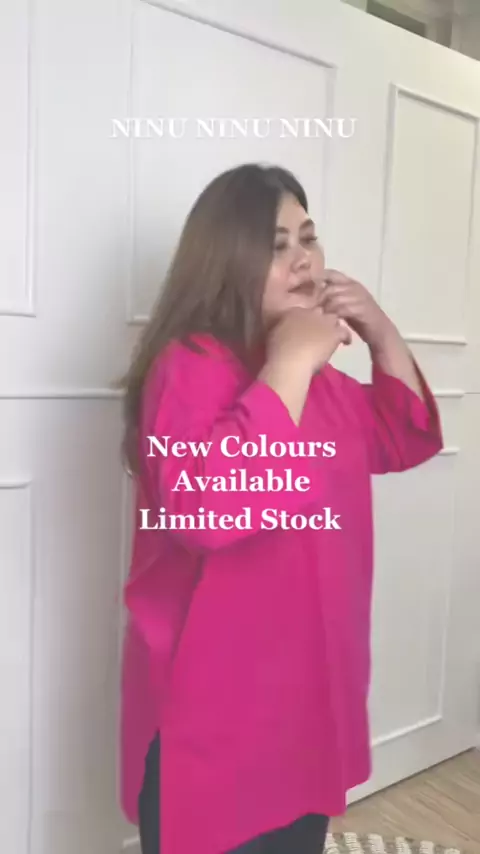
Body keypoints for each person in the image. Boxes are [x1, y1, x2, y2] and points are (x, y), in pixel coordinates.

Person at [116, 162, 443, 854]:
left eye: (309, 238)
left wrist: (379, 328)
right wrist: (288, 366)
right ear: (226, 258)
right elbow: (206, 512)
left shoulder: (319, 379)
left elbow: (405, 433)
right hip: (213, 708)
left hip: (307, 696)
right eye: (276, 245)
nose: (304, 259)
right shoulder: (190, 364)